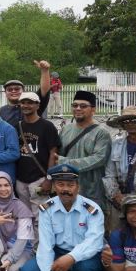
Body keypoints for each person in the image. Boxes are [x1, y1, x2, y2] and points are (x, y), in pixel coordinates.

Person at [19, 164, 105, 271]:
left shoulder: (92, 209)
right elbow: (45, 244)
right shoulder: (47, 209)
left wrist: (71, 257)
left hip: (85, 255)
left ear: (78, 187)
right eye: (60, 184)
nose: (66, 189)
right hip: (59, 252)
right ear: (53, 187)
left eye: (70, 185)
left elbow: (94, 242)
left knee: (87, 267)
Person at [56, 91, 112, 226]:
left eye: (83, 106)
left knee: (92, 227)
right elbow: (56, 154)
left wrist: (64, 162)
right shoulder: (66, 129)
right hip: (67, 188)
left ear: (93, 109)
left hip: (91, 188)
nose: (78, 109)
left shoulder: (101, 132)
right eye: (75, 105)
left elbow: (99, 159)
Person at [13, 92, 60, 216]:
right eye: (23, 102)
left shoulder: (47, 126)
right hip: (21, 179)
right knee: (24, 216)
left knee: (41, 217)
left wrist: (49, 179)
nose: (26, 105)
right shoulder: (18, 126)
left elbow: (53, 153)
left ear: (37, 106)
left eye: (30, 103)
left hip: (39, 179)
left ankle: (41, 237)